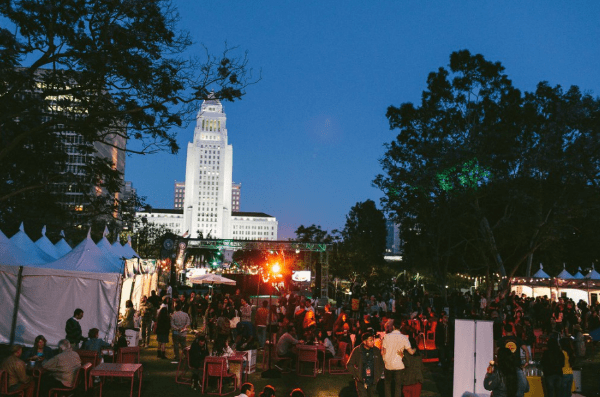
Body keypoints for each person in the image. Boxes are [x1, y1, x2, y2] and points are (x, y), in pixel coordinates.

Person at [382, 319, 413, 397]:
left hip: (388, 364)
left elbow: (383, 351)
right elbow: (411, 352)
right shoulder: (404, 338)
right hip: (399, 364)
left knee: (387, 384)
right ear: (401, 327)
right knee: (398, 386)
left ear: (393, 327)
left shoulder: (386, 336)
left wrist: (384, 359)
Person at [347, 332, 385, 397]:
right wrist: (357, 375)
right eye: (370, 340)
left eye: (373, 340)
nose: (373, 342)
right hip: (361, 380)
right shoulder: (357, 350)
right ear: (364, 342)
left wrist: (378, 376)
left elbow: (381, 364)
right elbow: (349, 364)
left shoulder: (376, 351)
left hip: (373, 380)